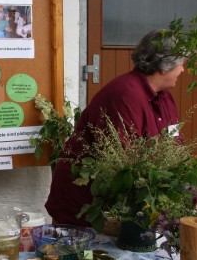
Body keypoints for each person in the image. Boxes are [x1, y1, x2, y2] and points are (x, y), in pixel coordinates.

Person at [46, 29, 184, 226]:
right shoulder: (125, 95)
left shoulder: (165, 98)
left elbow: (174, 141)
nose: (183, 70)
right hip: (85, 206)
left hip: (119, 206)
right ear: (165, 66)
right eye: (181, 64)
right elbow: (120, 160)